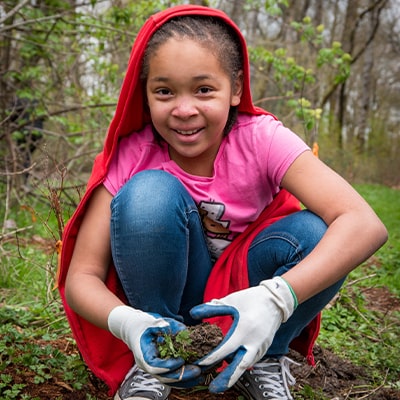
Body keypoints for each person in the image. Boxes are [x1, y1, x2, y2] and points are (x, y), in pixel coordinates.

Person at [58, 5, 387, 400]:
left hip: (250, 292)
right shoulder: (133, 154)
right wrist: (129, 323)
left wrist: (275, 299)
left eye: (203, 90)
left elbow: (364, 223)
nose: (184, 109)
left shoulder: (261, 139)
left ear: (235, 88)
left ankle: (264, 355)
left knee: (315, 233)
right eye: (164, 91)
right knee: (148, 193)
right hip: (169, 304)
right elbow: (83, 276)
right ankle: (160, 358)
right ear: (144, 96)